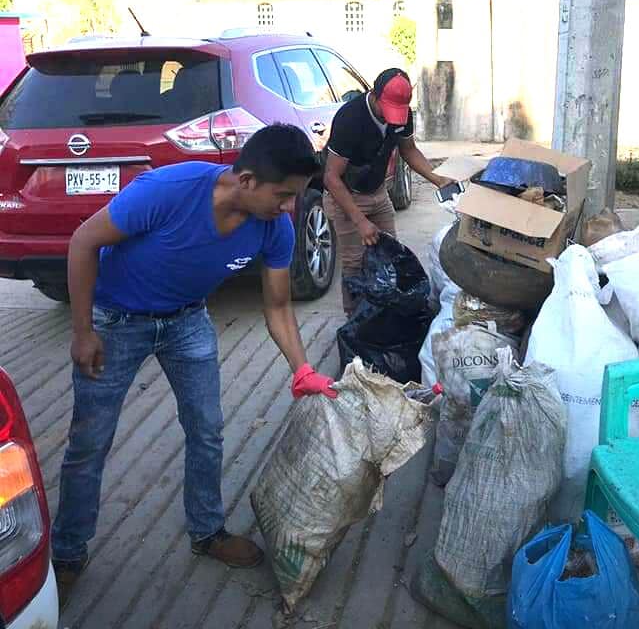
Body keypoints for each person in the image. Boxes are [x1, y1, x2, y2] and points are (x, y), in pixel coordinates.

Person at [52, 123, 338, 603]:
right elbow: (83, 242)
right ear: (246, 181)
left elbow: (278, 307)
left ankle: (207, 531)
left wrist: (302, 370)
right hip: (116, 323)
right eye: (283, 195)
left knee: (206, 429)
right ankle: (67, 552)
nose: (288, 207)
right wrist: (83, 331)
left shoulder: (275, 228)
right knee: (89, 444)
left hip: (187, 322)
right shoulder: (167, 192)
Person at [323, 68, 451, 314]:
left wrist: (437, 179)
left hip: (377, 191)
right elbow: (331, 177)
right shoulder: (350, 118)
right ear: (374, 94)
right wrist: (360, 221)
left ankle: (384, 313)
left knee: (390, 253)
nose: (392, 118)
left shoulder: (402, 116)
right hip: (346, 195)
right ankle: (354, 321)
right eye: (388, 109)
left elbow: (409, 150)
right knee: (353, 262)